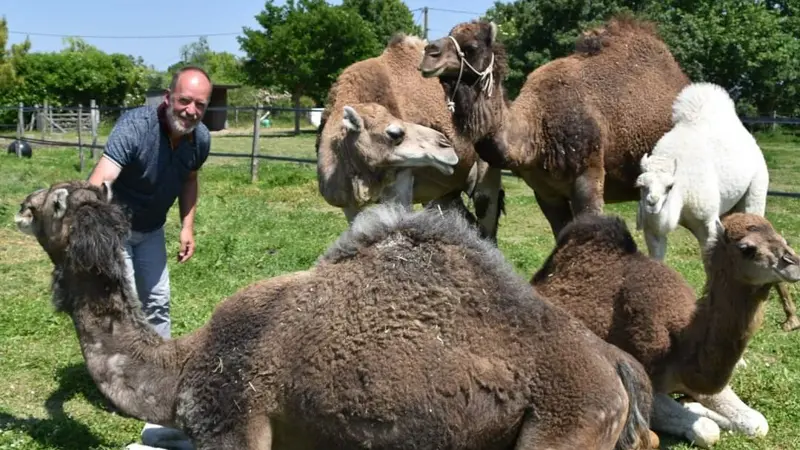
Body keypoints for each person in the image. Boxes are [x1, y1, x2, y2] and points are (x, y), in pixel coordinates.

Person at [87, 65, 212, 450]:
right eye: (185, 100)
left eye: (200, 105)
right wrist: (93, 232)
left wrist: (187, 226)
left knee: (158, 302)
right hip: (117, 231)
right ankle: (119, 383)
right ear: (169, 97)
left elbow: (190, 179)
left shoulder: (199, 139)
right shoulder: (135, 127)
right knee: (123, 308)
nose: (191, 110)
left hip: (152, 230)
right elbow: (100, 179)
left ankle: (157, 377)